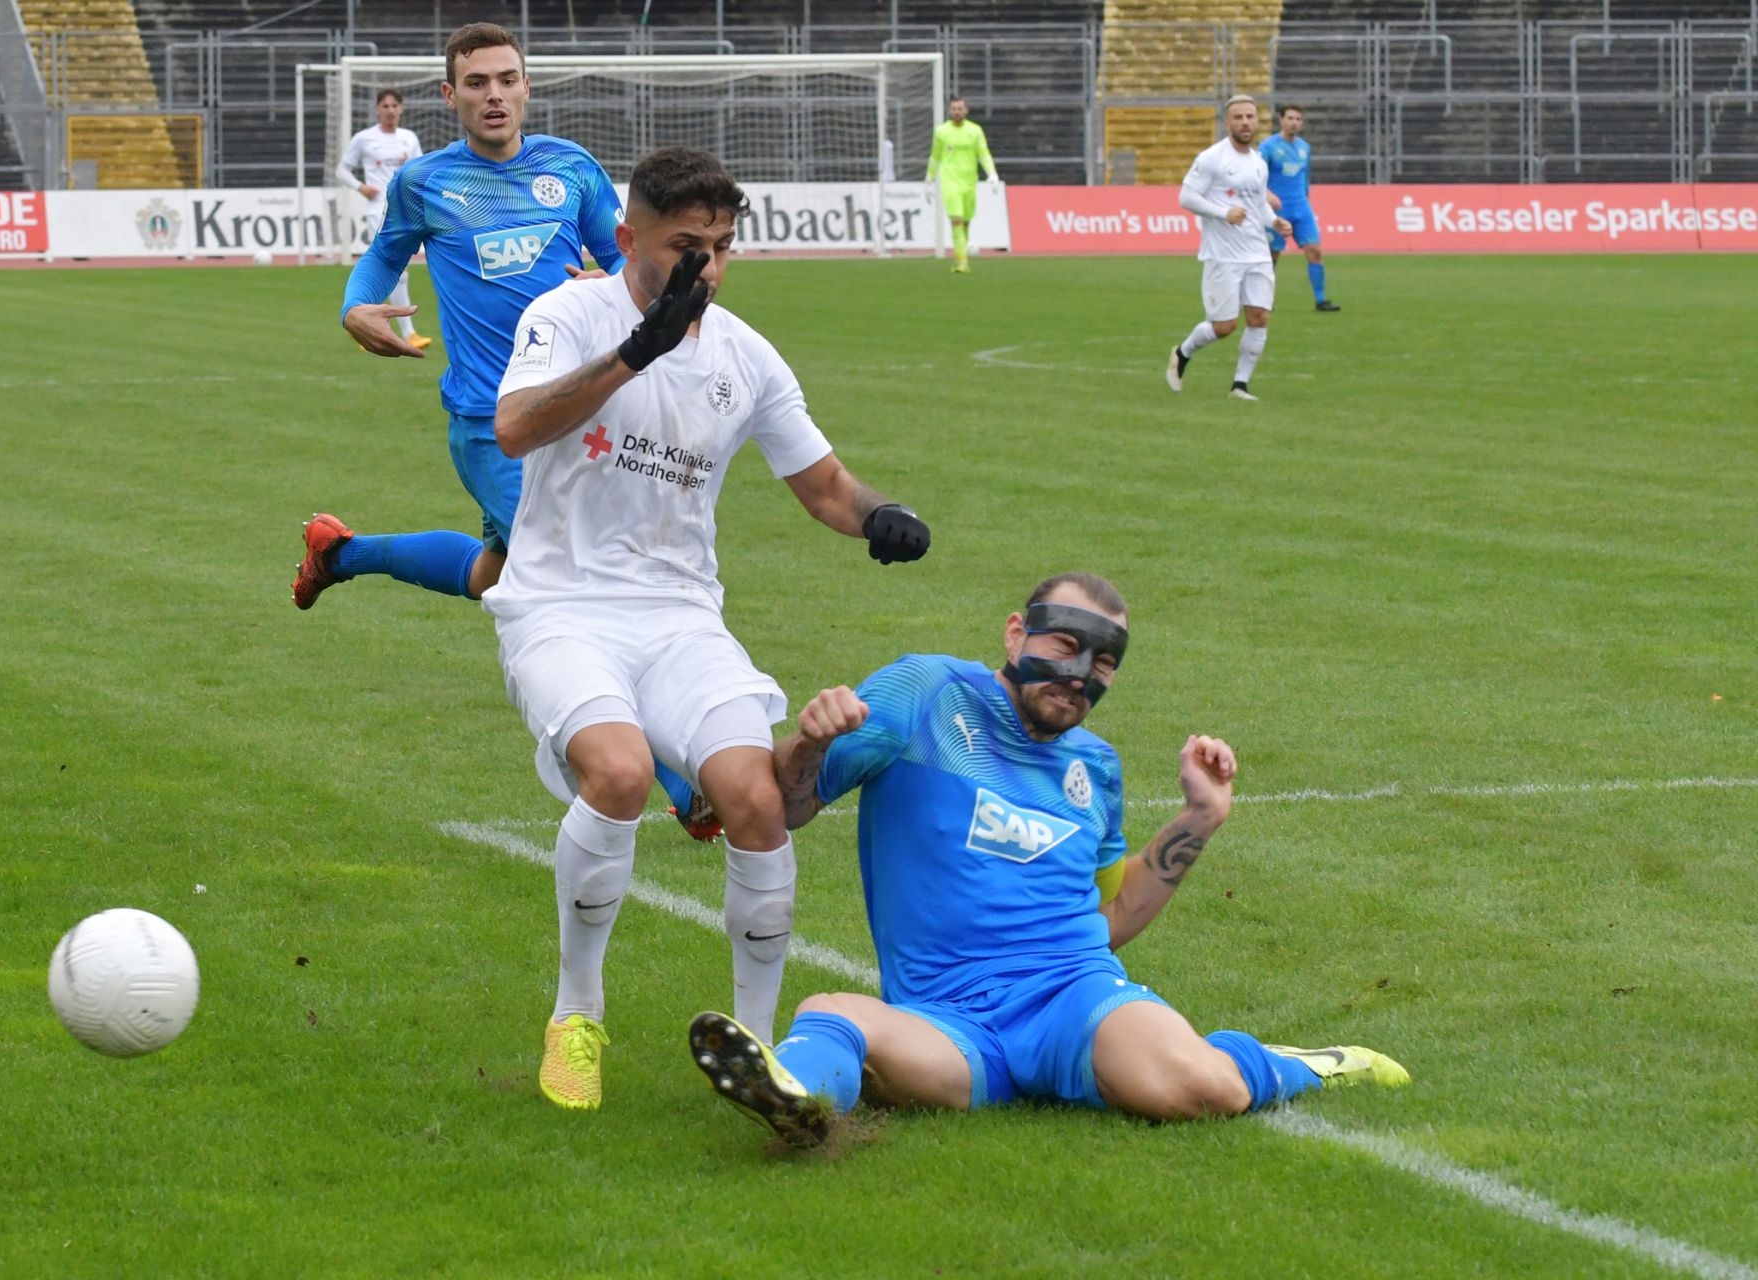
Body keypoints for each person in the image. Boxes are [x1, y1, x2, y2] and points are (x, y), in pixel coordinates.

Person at [485, 145, 931, 1112]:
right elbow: (515, 428)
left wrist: (880, 517)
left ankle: (760, 1056)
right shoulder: (567, 317)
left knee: (754, 797)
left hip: (681, 616)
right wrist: (636, 350)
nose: (709, 268)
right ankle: (577, 1013)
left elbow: (823, 485)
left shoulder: (745, 354)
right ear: (627, 238)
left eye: (723, 246)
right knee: (619, 771)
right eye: (687, 245)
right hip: (560, 607)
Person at [687, 572, 1408, 1148]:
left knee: (1203, 1089)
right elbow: (785, 808)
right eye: (1064, 645)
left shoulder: (1096, 766)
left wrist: (1201, 817)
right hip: (949, 1021)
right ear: (1015, 633)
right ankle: (798, 1101)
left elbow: (1113, 915)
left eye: (1103, 662)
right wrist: (811, 743)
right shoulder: (927, 693)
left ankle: (1300, 1064)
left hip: (1075, 1000)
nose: (1079, 673)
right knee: (834, 1013)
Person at [295, 22, 623, 611]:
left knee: (490, 576)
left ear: (527, 86)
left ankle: (340, 555)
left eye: (505, 80)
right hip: (489, 418)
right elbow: (382, 257)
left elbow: (628, 259)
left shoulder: (571, 168)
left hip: (575, 407)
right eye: (476, 83)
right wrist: (353, 308)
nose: (492, 94)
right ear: (451, 96)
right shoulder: (424, 182)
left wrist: (617, 283)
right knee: (574, 574)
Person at [1165, 94, 1291, 402]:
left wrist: (1274, 221)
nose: (1245, 122)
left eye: (1250, 116)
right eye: (1239, 117)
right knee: (1224, 326)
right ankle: (1183, 352)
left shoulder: (1259, 162)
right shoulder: (1212, 158)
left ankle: (1240, 385)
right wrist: (1223, 213)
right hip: (1223, 255)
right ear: (1227, 122)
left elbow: (1257, 203)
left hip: (1257, 252)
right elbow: (1186, 197)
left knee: (1259, 317)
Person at [334, 88, 430, 350]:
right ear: (378, 109)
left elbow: (421, 172)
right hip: (378, 209)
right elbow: (341, 170)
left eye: (394, 106)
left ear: (401, 109)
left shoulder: (408, 138)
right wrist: (360, 187)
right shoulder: (365, 138)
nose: (390, 110)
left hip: (405, 209)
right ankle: (406, 333)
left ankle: (367, 326)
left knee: (397, 271)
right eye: (385, 106)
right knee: (395, 270)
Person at [1261, 104, 1339, 313]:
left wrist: (1305, 197)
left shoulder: (1304, 147)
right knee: (1271, 257)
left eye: (1298, 119)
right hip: (1277, 210)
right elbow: (1258, 179)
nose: (1294, 122)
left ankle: (1321, 300)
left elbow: (1305, 178)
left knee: (1315, 251)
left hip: (1301, 208)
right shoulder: (1267, 148)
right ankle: (1263, 299)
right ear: (1281, 120)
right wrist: (1266, 201)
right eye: (1291, 118)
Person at [926, 96, 998, 275]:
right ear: (950, 111)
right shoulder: (941, 131)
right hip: (949, 181)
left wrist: (992, 173)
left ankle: (961, 255)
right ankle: (962, 262)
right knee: (956, 219)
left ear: (966, 111)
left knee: (965, 221)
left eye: (959, 109)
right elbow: (935, 156)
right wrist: (929, 179)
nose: (956, 112)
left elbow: (983, 154)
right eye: (953, 109)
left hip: (969, 181)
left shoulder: (975, 131)